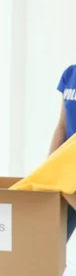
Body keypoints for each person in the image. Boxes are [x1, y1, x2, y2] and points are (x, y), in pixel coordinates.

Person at [49, 63, 76, 240]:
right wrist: (50, 167)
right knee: (51, 244)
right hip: (68, 170)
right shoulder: (70, 73)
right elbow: (62, 125)